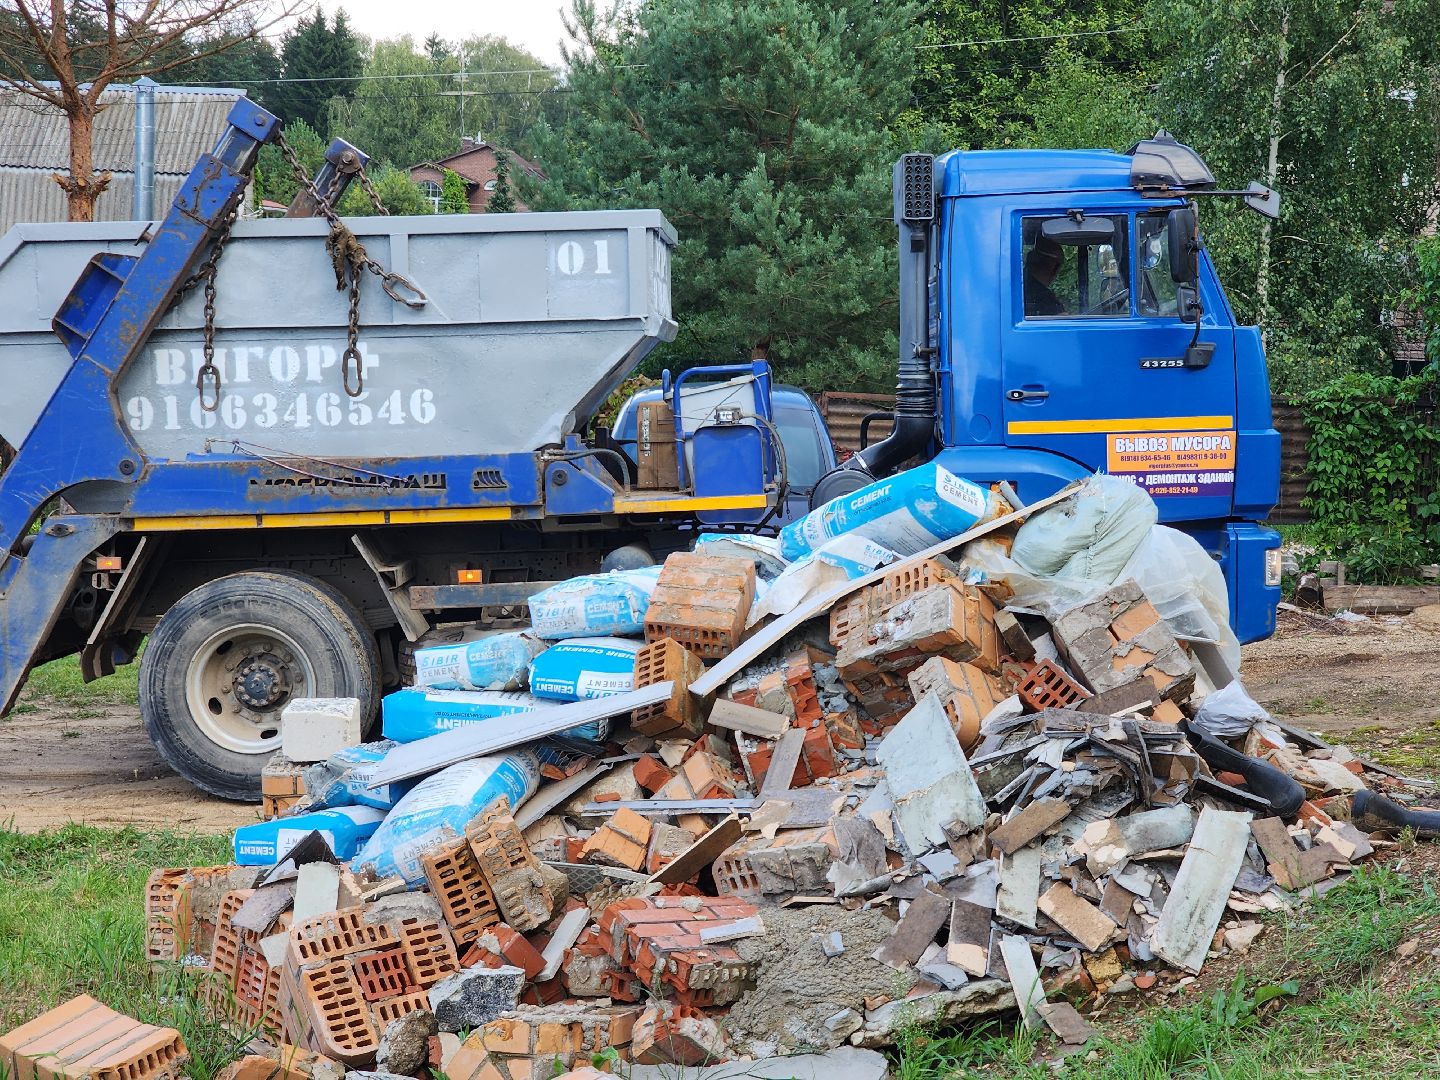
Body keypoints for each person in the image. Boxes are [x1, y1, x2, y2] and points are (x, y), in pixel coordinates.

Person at [1024, 235, 1065, 317]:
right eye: (1059, 265)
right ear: (1052, 266)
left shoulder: (1015, 284)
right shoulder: (1044, 297)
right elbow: (1064, 323)